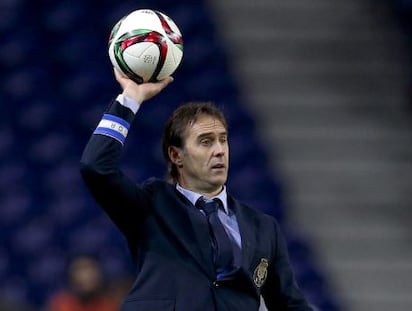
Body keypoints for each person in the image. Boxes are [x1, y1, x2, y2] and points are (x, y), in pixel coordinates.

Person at [80, 69, 313, 311]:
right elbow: (96, 167)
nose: (220, 150)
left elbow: (290, 305)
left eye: (223, 139)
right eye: (206, 141)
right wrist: (130, 98)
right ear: (176, 155)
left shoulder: (264, 228)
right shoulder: (151, 205)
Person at [47, 254, 118, 311]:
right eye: (80, 269)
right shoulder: (60, 304)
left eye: (90, 268)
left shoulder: (110, 305)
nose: (86, 275)